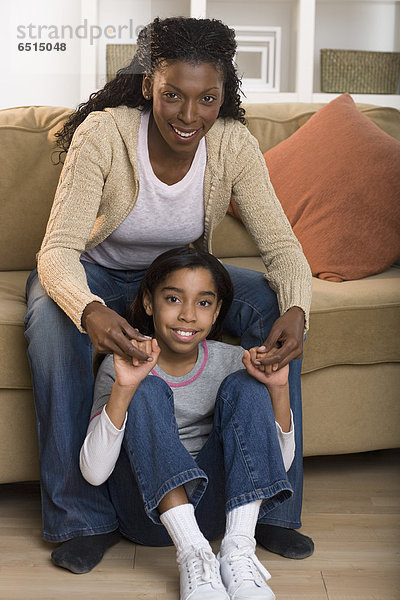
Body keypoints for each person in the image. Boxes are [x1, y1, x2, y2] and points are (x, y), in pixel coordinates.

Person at [24, 16, 313, 575]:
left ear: (224, 95)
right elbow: (57, 250)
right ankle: (82, 520)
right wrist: (88, 310)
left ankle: (275, 505)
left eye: (207, 99)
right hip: (94, 274)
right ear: (147, 87)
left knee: (277, 308)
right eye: (173, 96)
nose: (189, 116)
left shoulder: (232, 143)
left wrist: (299, 308)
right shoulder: (105, 134)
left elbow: (281, 244)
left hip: (173, 282)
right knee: (53, 324)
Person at [80, 246, 295, 600]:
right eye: (173, 299)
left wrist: (278, 389)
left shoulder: (233, 361)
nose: (188, 316)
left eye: (204, 303)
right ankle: (193, 553)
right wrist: (125, 388)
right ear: (149, 303)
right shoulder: (120, 364)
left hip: (218, 516)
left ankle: (238, 551)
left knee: (249, 383)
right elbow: (94, 473)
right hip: (147, 516)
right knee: (145, 388)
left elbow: (275, 467)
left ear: (218, 311)